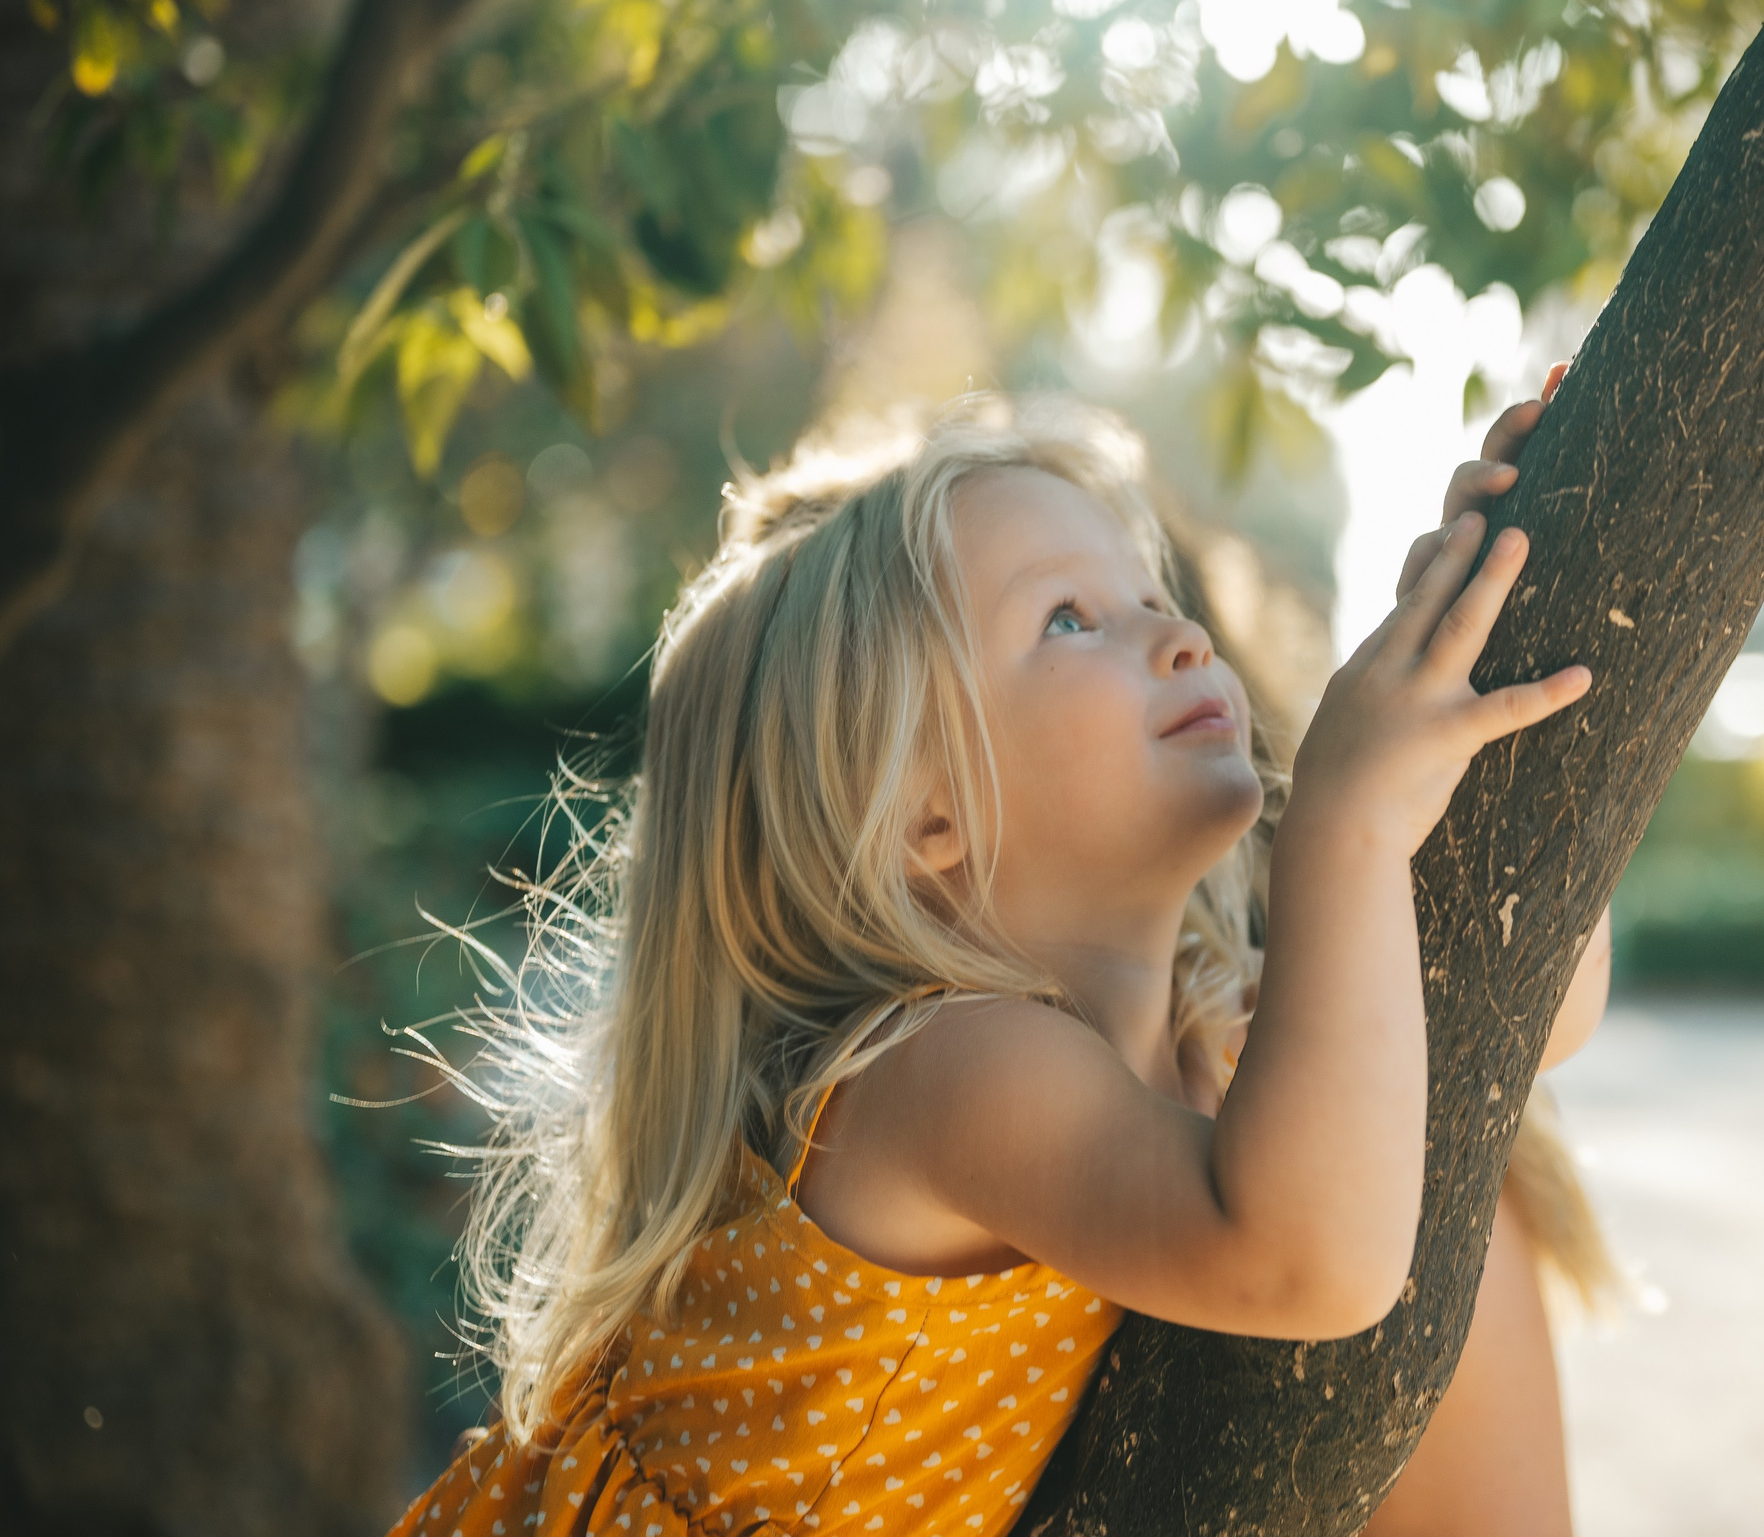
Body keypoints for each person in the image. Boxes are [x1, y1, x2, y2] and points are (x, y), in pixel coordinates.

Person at [389, 367, 1613, 1537]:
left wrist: (1473, 619)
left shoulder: (1193, 1017)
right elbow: (1308, 1263)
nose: (1180, 632)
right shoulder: (936, 1068)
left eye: (1148, 593)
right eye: (1070, 618)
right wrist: (1344, 825)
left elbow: (1514, 1019)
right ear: (921, 811)